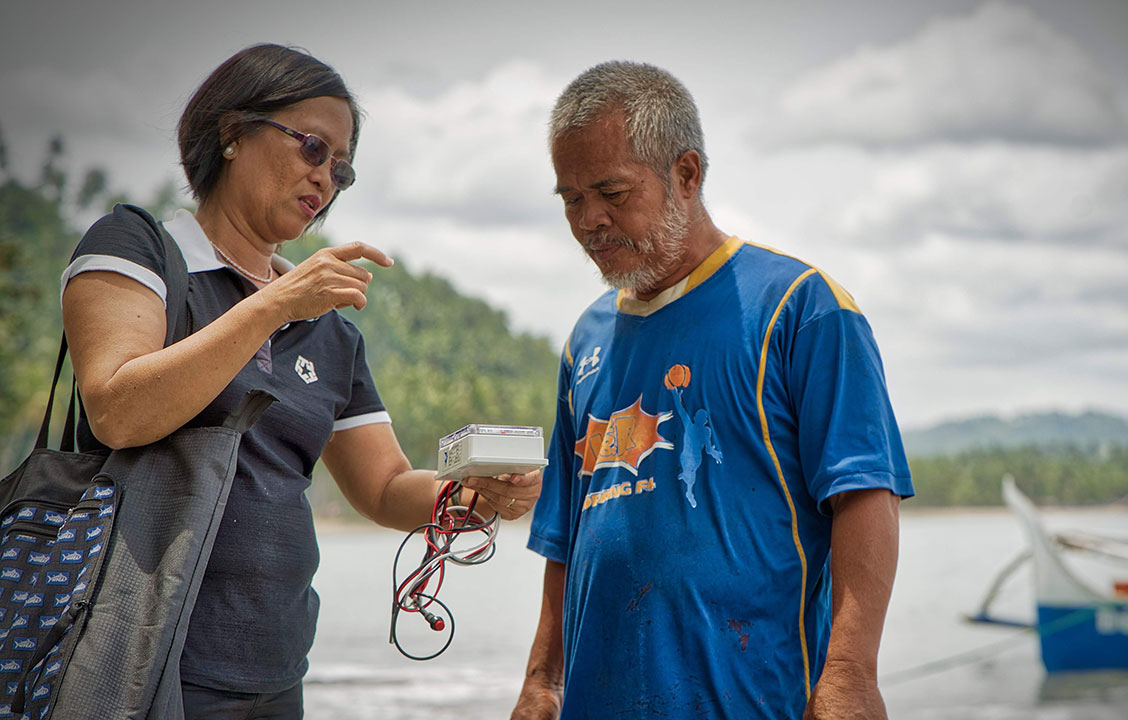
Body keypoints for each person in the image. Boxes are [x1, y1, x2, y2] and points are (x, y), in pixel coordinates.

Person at [60, 43, 540, 718]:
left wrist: (476, 495)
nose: (326, 179)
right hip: (139, 661)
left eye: (341, 170)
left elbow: (383, 488)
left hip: (276, 669)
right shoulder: (138, 248)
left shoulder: (329, 324)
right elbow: (118, 408)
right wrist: (277, 303)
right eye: (313, 148)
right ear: (231, 133)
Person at [511, 61, 913, 720]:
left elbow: (865, 494)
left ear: (687, 174)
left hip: (755, 698)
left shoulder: (800, 308)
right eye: (571, 199)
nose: (590, 220)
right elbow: (565, 536)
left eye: (611, 192)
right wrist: (541, 680)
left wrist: (849, 675)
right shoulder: (585, 340)